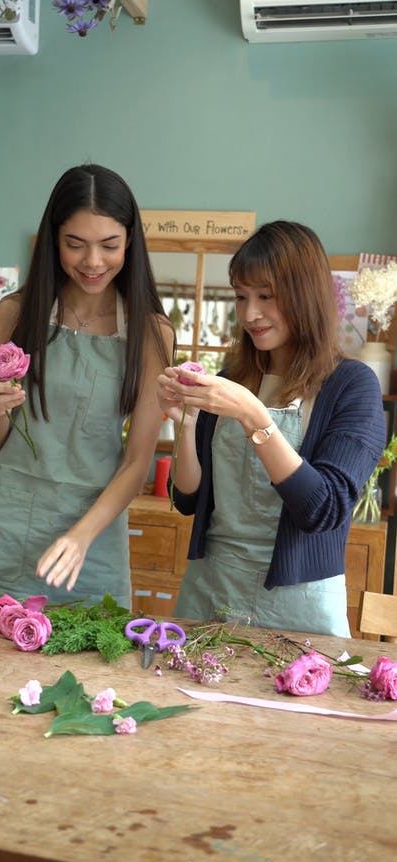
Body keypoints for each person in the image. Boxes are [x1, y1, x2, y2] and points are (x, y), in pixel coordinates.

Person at [0, 163, 174, 606]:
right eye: (75, 244)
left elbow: (136, 462)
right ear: (55, 239)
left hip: (92, 539)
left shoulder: (150, 333)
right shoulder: (16, 313)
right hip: (2, 529)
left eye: (109, 245)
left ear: (130, 240)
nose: (93, 262)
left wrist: (80, 537)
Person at [157, 220, 386, 636]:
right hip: (211, 587)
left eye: (266, 296)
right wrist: (185, 424)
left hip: (300, 603)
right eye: (241, 296)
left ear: (305, 295)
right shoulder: (231, 378)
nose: (249, 314)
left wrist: (254, 416)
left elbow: (323, 508)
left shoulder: (352, 386)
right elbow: (186, 499)